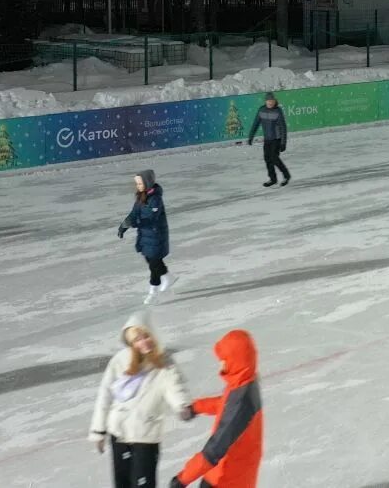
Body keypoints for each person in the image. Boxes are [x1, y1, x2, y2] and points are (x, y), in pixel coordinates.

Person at [90, 313, 194, 488]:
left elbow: (173, 387)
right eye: (137, 340)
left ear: (153, 335)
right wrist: (99, 431)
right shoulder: (120, 360)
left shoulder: (164, 363)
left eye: (146, 336)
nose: (143, 342)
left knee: (143, 483)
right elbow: (105, 394)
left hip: (145, 434)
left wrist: (181, 405)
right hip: (119, 432)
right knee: (122, 483)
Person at [169, 330, 263, 488]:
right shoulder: (243, 384)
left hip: (228, 478)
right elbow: (224, 404)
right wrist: (196, 407)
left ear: (235, 360)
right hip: (225, 471)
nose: (220, 364)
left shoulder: (242, 400)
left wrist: (182, 479)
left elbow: (215, 449)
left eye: (223, 359)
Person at [117, 170, 174, 305]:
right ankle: (168, 277)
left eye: (140, 183)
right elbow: (134, 213)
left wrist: (134, 223)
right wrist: (124, 225)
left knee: (154, 265)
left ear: (147, 182)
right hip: (145, 235)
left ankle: (153, 292)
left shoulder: (155, 199)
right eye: (136, 183)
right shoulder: (141, 196)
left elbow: (151, 218)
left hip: (156, 235)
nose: (138, 186)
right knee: (151, 260)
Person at [246, 93, 291, 188]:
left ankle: (286, 176)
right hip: (267, 139)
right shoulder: (261, 110)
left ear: (274, 101)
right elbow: (255, 124)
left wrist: (283, 143)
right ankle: (273, 179)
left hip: (276, 139)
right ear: (265, 101)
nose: (270, 102)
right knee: (267, 159)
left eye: (272, 101)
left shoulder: (277, 111)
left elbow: (283, 128)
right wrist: (251, 137)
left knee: (274, 158)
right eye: (268, 101)